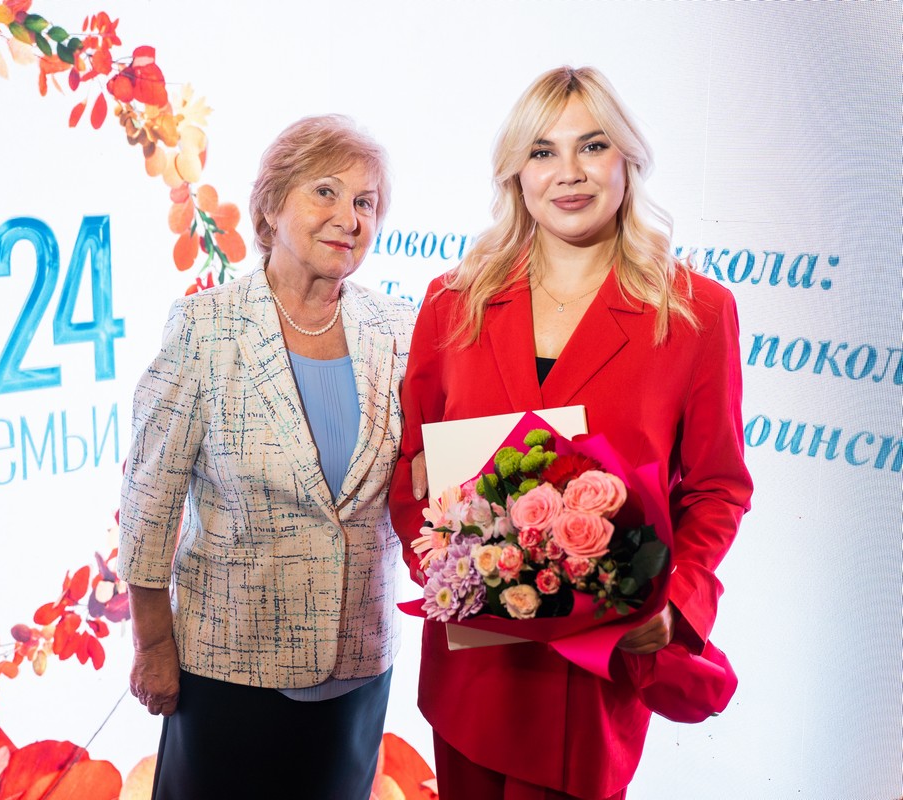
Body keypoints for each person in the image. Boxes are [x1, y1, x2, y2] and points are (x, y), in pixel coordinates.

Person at [388, 66, 754, 800]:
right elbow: (414, 464)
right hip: (475, 672)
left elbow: (717, 489)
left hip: (594, 679)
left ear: (627, 159)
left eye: (592, 145)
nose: (569, 172)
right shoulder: (453, 302)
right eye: (543, 151)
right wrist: (452, 574)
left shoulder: (695, 313)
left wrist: (677, 604)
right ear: (516, 173)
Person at [119, 115, 416, 800]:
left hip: (359, 667)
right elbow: (149, 505)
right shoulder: (205, 326)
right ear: (272, 206)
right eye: (325, 192)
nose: (349, 218)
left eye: (366, 202)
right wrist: (153, 646)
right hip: (229, 669)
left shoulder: (401, 329)